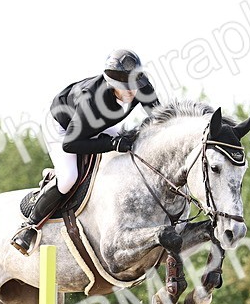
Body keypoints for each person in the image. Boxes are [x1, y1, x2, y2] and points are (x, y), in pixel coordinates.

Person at [11, 48, 162, 254]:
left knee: (130, 151)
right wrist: (112, 144)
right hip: (63, 126)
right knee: (69, 177)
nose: (132, 93)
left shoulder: (140, 84)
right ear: (112, 84)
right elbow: (71, 144)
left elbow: (161, 119)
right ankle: (29, 226)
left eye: (134, 87)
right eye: (126, 89)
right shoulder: (91, 100)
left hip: (99, 122)